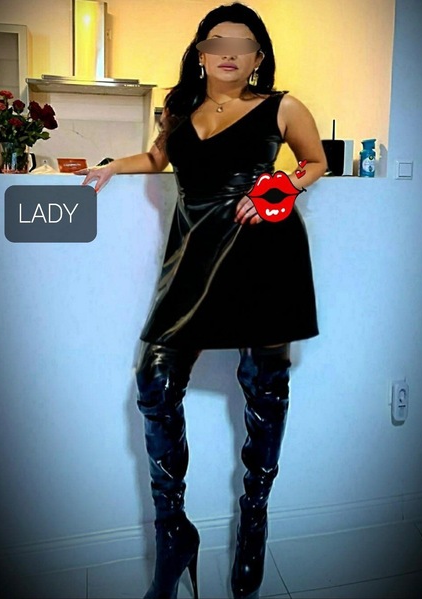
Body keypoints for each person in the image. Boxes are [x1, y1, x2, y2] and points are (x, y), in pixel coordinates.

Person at [78, 3, 327, 598]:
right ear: (200, 51)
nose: (228, 53)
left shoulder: (282, 107)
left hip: (262, 254)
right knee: (155, 381)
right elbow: (159, 159)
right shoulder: (178, 108)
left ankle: (254, 523)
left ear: (258, 57)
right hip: (192, 258)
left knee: (264, 388)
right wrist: (113, 165)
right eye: (218, 42)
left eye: (242, 43)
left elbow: (316, 162)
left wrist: (278, 187)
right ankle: (174, 535)